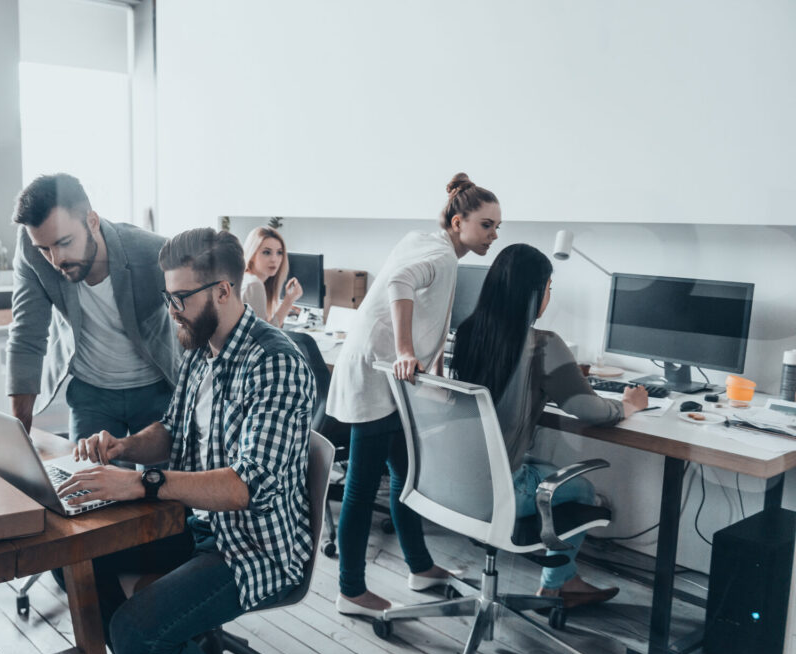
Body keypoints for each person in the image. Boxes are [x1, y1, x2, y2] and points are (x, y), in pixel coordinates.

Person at [55, 227, 315, 654]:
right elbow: (173, 431)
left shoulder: (275, 362)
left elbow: (246, 486)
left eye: (180, 298)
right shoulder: (200, 347)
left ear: (223, 291)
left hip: (255, 548)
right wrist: (124, 447)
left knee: (136, 633)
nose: (171, 309)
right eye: (168, 296)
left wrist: (141, 482)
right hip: (194, 524)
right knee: (72, 559)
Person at [325, 172, 501, 617]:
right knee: (362, 488)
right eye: (486, 225)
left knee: (408, 479)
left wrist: (432, 364)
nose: (493, 235)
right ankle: (350, 591)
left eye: (497, 227)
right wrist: (406, 351)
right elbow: (399, 285)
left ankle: (420, 567)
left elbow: (428, 313)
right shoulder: (440, 254)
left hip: (389, 379)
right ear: (459, 222)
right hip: (377, 375)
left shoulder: (429, 243)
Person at [448, 243, 648, 608]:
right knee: (583, 489)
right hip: (501, 490)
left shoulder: (468, 333)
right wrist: (628, 405)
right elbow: (588, 409)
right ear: (533, 294)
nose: (549, 297)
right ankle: (557, 584)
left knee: (543, 468)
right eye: (548, 289)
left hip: (455, 482)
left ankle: (564, 581)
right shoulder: (543, 345)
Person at [7, 173, 179, 443]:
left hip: (156, 388)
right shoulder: (30, 248)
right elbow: (27, 334)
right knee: (86, 471)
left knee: (160, 470)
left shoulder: (155, 252)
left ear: (92, 222)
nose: (56, 259)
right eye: (45, 249)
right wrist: (15, 436)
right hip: (91, 393)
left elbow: (198, 327)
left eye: (65, 242)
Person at [240, 225, 303, 327]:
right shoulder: (254, 285)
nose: (274, 259)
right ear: (252, 255)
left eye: (279, 252)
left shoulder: (245, 279)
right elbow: (264, 334)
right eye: (266, 252)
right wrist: (288, 301)